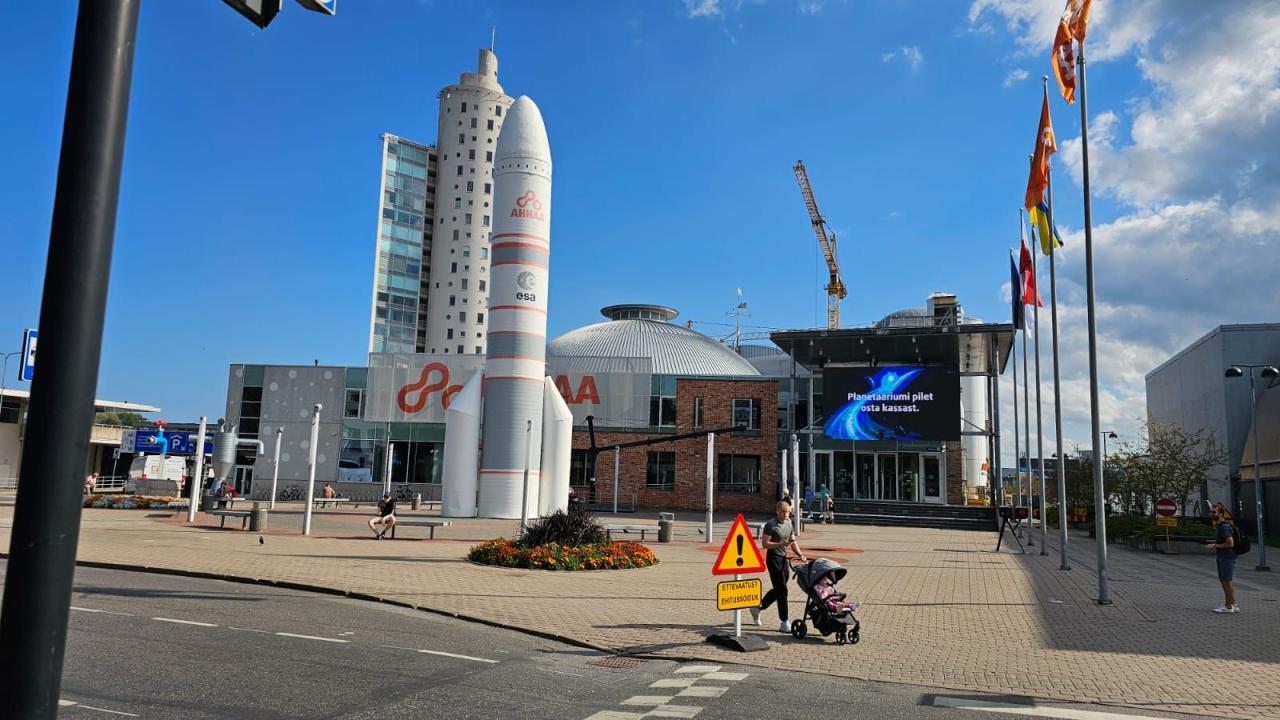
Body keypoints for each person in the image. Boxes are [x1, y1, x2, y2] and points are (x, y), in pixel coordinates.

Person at [750, 500, 807, 632]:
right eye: (782, 512)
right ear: (777, 511)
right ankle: (784, 621)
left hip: (783, 559)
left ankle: (757, 608)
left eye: (787, 512)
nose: (785, 514)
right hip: (773, 558)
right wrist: (781, 543)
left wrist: (800, 554)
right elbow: (765, 544)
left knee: (779, 588)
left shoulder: (789, 523)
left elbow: (792, 542)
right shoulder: (771, 525)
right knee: (782, 590)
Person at [1204, 502, 1239, 613]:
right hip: (1223, 556)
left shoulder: (1224, 527)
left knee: (1226, 582)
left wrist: (1214, 545)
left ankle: (1228, 606)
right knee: (1225, 581)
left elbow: (1230, 543)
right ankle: (1233, 604)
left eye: (1214, 512)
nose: (1211, 514)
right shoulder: (1220, 526)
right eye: (1210, 512)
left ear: (1221, 513)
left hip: (1226, 557)